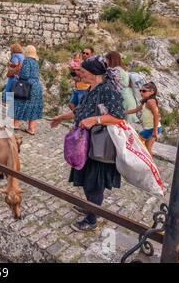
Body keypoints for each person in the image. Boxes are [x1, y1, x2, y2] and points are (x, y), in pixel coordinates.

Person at [51, 56, 125, 232]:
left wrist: (95, 119)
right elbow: (80, 112)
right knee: (85, 179)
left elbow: (118, 117)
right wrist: (61, 117)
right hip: (84, 143)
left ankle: (92, 219)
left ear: (93, 73)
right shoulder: (91, 89)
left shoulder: (108, 90)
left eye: (83, 71)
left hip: (98, 145)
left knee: (94, 182)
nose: (80, 74)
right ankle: (90, 206)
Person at [9, 45, 43, 135]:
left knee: (18, 102)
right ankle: (31, 129)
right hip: (37, 86)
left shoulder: (27, 61)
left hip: (27, 85)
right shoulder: (36, 62)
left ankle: (15, 125)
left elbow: (25, 75)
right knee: (33, 106)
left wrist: (18, 74)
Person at [125, 82, 162, 155]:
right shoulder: (146, 102)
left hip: (153, 129)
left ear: (152, 92)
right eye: (140, 91)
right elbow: (136, 110)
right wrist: (123, 112)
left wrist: (154, 131)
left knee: (136, 143)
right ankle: (149, 165)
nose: (141, 92)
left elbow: (156, 116)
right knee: (147, 149)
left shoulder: (151, 102)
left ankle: (148, 165)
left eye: (144, 91)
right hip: (150, 128)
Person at [105, 51, 138, 123]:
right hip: (129, 97)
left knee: (123, 124)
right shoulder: (123, 69)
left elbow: (109, 83)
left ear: (111, 60)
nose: (106, 62)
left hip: (123, 99)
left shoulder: (114, 70)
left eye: (107, 60)